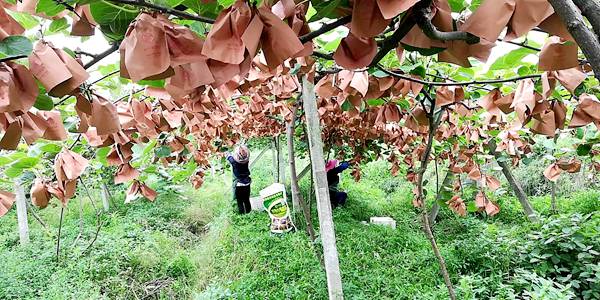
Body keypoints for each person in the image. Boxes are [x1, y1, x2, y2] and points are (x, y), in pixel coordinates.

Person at [226, 145, 252, 214]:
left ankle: (242, 214)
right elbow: (243, 153)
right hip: (247, 183)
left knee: (240, 201)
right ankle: (248, 213)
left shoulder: (234, 162)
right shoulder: (246, 160)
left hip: (239, 184)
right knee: (246, 199)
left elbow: (228, 156)